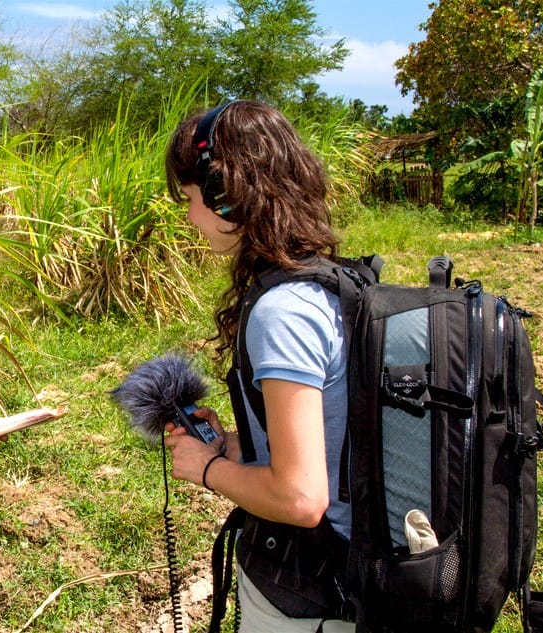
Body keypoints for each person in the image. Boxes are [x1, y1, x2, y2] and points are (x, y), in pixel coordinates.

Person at [162, 100, 354, 632]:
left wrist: (206, 468)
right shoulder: (330, 282)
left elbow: (299, 498)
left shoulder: (282, 312)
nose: (190, 217)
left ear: (226, 196)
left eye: (191, 198)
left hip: (314, 590)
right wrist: (240, 447)